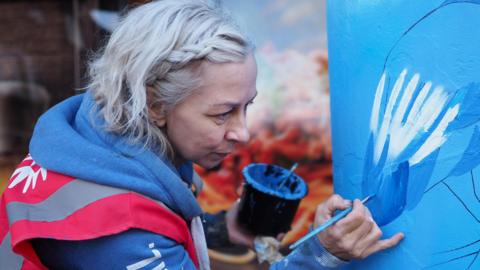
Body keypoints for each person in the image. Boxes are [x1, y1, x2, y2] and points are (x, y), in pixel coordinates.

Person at [0, 1, 404, 269]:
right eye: (223, 113)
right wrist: (322, 255)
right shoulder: (121, 234)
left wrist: (216, 228)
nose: (243, 132)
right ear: (153, 104)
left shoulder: (88, 139)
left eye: (247, 106)